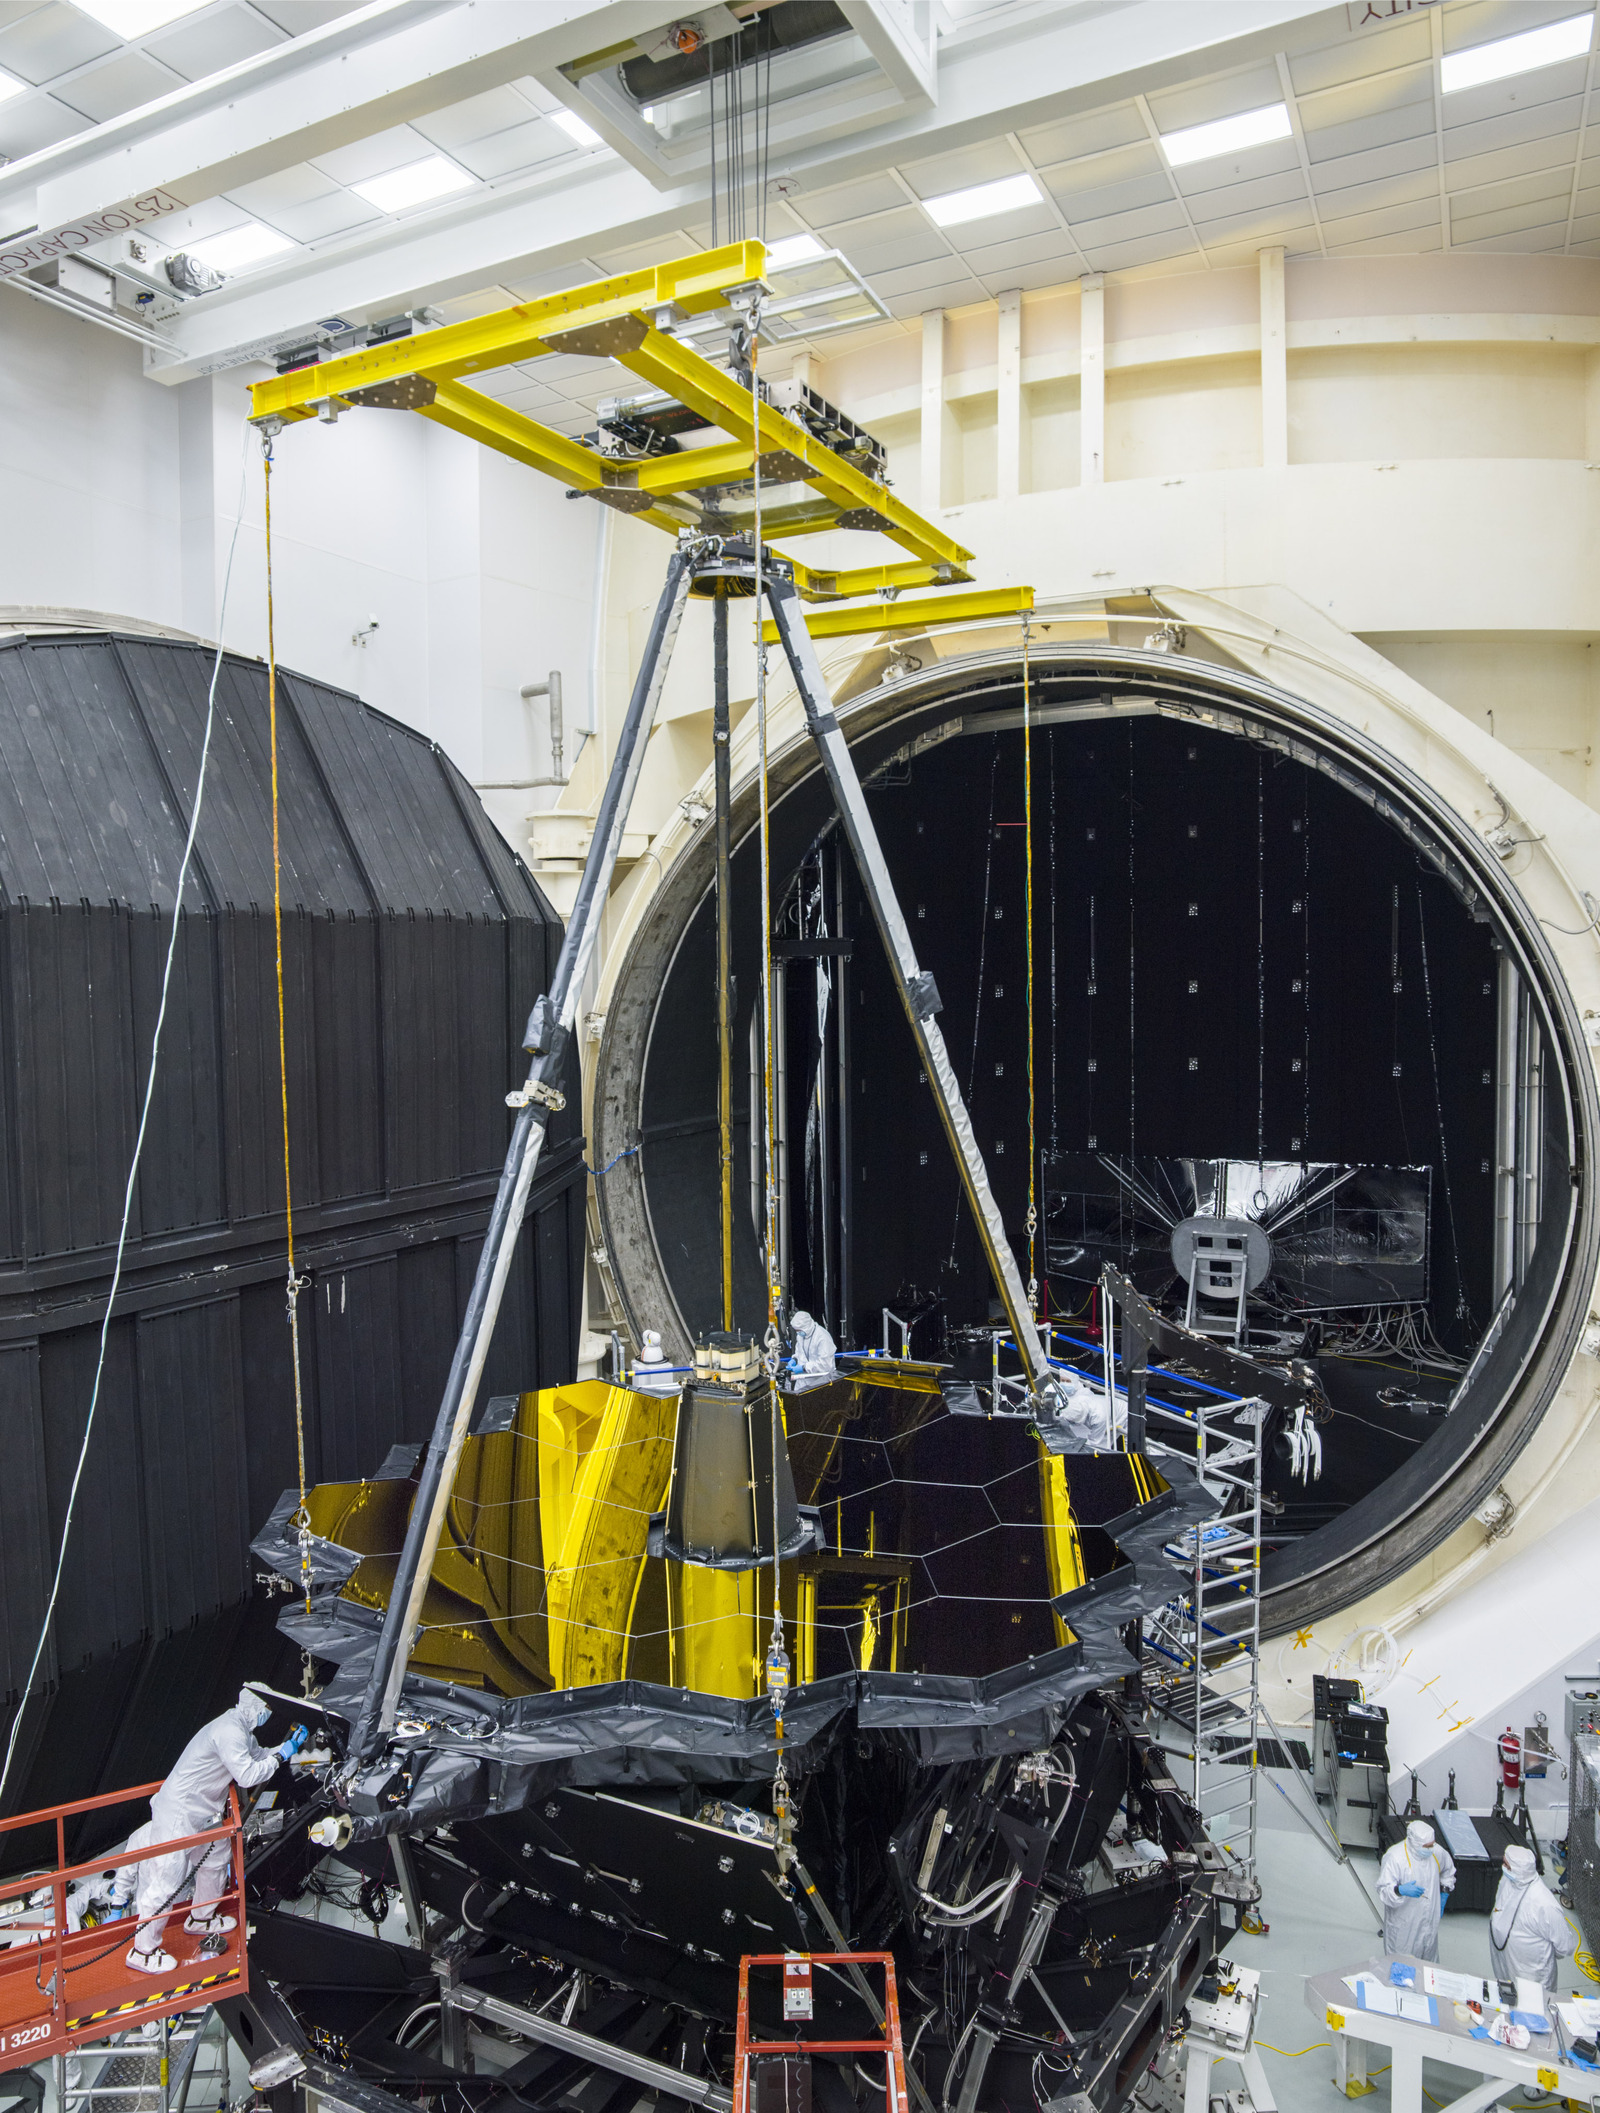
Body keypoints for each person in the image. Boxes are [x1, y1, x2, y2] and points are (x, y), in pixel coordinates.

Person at [124, 1689, 306, 1974]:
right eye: (266, 1708)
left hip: (202, 1814)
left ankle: (200, 1917)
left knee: (216, 1858)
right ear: (253, 1707)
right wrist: (281, 1757)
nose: (267, 1715)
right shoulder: (229, 1731)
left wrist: (287, 1747)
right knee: (168, 1879)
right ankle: (142, 1951)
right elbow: (247, 1775)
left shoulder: (241, 1730)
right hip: (179, 1813)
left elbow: (258, 1756)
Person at [1490, 1843, 1577, 1994]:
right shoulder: (1509, 1880)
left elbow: (1565, 1947)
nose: (1503, 1866)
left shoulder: (1545, 1905)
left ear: (1518, 1870)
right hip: (1506, 1965)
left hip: (1532, 1978)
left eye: (1506, 1864)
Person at [1377, 1818, 1456, 1962]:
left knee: (1428, 1968)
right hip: (1404, 1926)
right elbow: (1383, 1890)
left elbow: (1448, 1871)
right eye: (1426, 1846)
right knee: (1401, 1968)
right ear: (1414, 1842)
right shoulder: (1395, 1857)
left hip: (1429, 1923)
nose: (1430, 1849)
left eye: (1432, 1845)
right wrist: (1399, 1890)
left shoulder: (1436, 1852)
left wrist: (1444, 1892)